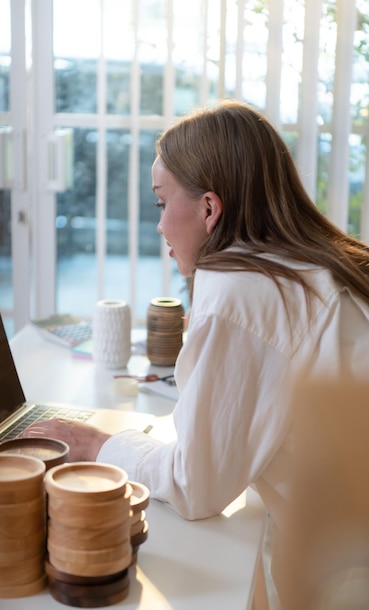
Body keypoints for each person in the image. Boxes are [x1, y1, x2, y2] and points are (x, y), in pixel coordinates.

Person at [22, 100, 369, 528]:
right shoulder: (310, 267)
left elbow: (194, 487)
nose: (160, 226)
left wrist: (96, 445)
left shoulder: (238, 287)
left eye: (161, 204)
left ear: (209, 208)